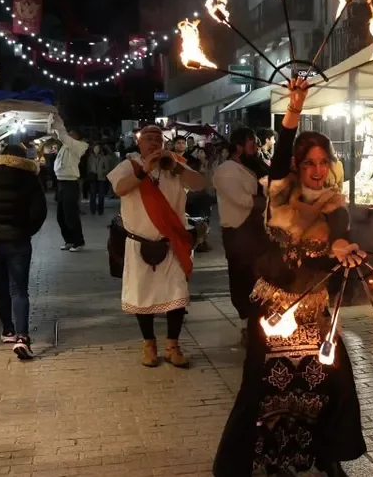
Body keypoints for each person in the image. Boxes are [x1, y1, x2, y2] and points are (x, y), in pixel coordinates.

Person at [213, 80, 368, 477]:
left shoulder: (336, 207)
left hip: (314, 314)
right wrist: (294, 110)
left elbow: (340, 242)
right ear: (298, 168)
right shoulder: (280, 196)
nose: (317, 171)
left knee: (329, 384)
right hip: (274, 308)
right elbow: (280, 154)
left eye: (323, 163)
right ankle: (271, 458)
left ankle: (326, 454)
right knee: (267, 389)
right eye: (309, 163)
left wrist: (344, 251)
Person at [108, 124, 207, 369]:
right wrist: (144, 170)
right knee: (143, 297)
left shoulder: (173, 164)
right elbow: (120, 189)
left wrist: (174, 166)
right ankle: (149, 345)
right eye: (148, 138)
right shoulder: (128, 166)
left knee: (177, 296)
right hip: (139, 244)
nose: (153, 143)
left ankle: (173, 346)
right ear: (139, 143)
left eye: (158, 139)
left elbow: (199, 184)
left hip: (170, 242)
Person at [0, 144, 48, 359]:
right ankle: (22, 337)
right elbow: (39, 211)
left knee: (1, 285)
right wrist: (26, 230)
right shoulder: (28, 178)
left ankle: (7, 330)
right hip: (17, 238)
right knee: (19, 288)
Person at [212, 128, 268, 345]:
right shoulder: (227, 170)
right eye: (252, 144)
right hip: (238, 233)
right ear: (238, 146)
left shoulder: (251, 166)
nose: (256, 148)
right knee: (242, 279)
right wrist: (272, 201)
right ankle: (247, 324)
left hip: (257, 231)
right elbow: (243, 200)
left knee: (260, 278)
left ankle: (260, 322)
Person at [52, 121, 89, 251]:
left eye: (71, 133)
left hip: (70, 183)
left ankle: (78, 242)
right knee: (61, 216)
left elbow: (62, 136)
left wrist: (58, 121)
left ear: (77, 136)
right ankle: (69, 240)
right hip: (61, 182)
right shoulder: (65, 146)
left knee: (71, 215)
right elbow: (59, 136)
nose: (68, 135)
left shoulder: (79, 146)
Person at [86, 142, 118, 216]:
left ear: (100, 149)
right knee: (93, 195)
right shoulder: (90, 158)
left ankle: (100, 210)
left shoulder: (104, 157)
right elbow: (88, 168)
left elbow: (107, 168)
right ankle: (93, 210)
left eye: (97, 148)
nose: (96, 150)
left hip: (101, 178)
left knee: (101, 196)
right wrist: (90, 174)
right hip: (93, 178)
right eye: (95, 148)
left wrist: (101, 172)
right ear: (93, 149)